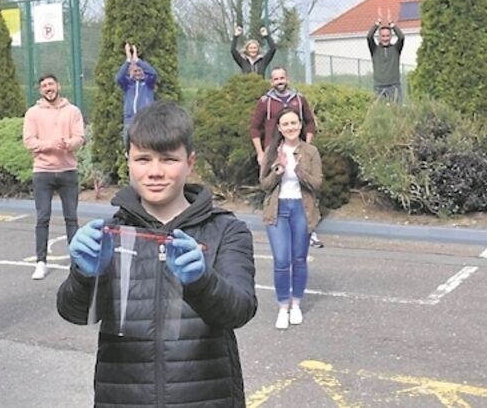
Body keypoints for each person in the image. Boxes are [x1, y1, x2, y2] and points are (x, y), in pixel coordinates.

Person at [57, 101, 257, 406]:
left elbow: (240, 310)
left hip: (205, 396)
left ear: (190, 162)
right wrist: (84, 274)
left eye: (169, 159)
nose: (155, 172)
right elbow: (75, 313)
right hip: (124, 396)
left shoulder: (226, 230)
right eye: (143, 159)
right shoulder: (110, 234)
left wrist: (202, 281)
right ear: (128, 161)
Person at [260, 108, 323, 330]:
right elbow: (264, 185)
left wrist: (297, 170)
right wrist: (278, 171)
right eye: (285, 124)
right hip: (277, 209)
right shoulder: (272, 152)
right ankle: (282, 307)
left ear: (300, 125)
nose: (290, 127)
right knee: (281, 260)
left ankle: (296, 304)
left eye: (294, 123)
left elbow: (317, 183)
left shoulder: (311, 151)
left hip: (301, 209)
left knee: (299, 259)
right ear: (279, 128)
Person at [250, 67, 322, 247]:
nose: (279, 81)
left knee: (305, 189)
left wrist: (307, 146)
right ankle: (278, 229)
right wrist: (261, 153)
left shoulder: (299, 98)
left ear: (287, 79)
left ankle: (310, 231)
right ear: (271, 82)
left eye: (282, 78)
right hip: (273, 152)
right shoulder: (265, 102)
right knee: (274, 190)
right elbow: (255, 128)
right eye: (276, 79)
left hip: (299, 151)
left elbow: (310, 123)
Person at [23, 74, 85, 280]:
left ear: (58, 86)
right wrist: (51, 144)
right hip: (43, 172)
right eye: (44, 86)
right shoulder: (33, 113)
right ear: (40, 90)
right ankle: (41, 262)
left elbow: (79, 137)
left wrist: (68, 144)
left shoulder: (72, 111)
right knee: (42, 218)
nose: (48, 88)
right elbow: (29, 141)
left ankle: (76, 261)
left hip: (68, 170)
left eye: (51, 84)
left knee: (71, 218)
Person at [115, 42, 157, 139]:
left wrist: (137, 60)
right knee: (129, 144)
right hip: (130, 121)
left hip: (145, 120)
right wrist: (128, 60)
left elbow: (153, 73)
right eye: (135, 71)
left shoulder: (148, 83)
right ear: (130, 72)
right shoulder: (128, 85)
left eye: (139, 71)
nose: (137, 73)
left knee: (146, 144)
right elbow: (119, 78)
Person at [367, 8, 405, 102]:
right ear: (379, 37)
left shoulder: (396, 49)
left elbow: (401, 37)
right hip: (379, 87)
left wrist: (391, 24)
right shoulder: (374, 49)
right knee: (379, 109)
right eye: (383, 36)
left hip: (394, 86)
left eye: (387, 36)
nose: (385, 38)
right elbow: (369, 36)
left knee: (396, 108)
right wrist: (378, 23)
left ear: (391, 36)